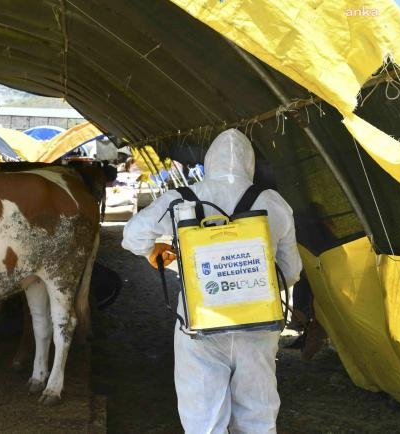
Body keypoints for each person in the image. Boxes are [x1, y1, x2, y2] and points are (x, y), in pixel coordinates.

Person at [122, 129, 302, 433]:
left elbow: (133, 235)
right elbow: (291, 269)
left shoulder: (182, 199)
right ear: (251, 164)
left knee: (203, 417)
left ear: (209, 162)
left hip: (200, 325)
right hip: (257, 326)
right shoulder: (273, 202)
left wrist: (153, 251)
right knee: (258, 414)